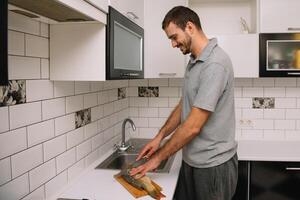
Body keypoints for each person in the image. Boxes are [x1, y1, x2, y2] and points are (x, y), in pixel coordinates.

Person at [130, 6, 238, 200]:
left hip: (213, 167)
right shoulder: (195, 60)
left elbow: (193, 126)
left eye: (173, 37)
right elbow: (185, 105)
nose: (173, 44)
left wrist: (158, 158)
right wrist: (159, 137)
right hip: (193, 161)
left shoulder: (215, 64)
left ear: (189, 27)